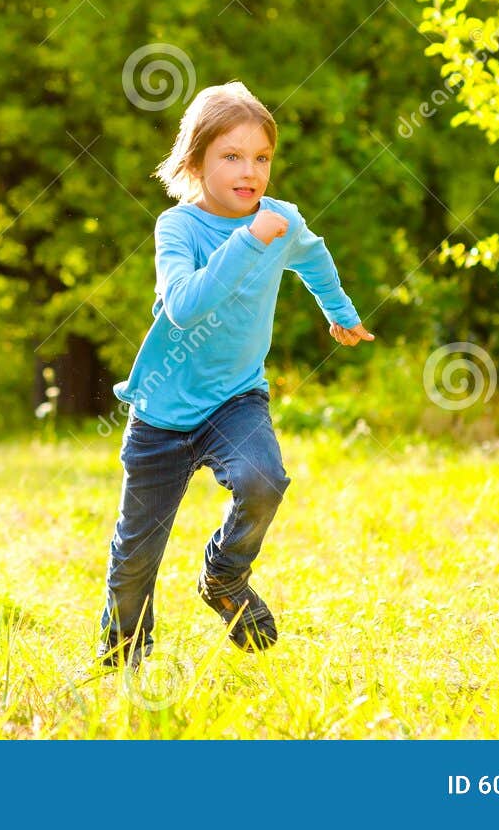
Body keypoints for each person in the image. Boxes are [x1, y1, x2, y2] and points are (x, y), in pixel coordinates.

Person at [100, 80, 375, 664]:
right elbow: (184, 305)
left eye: (262, 157)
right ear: (196, 161)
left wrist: (340, 311)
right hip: (162, 411)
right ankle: (123, 656)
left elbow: (313, 255)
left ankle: (224, 575)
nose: (250, 171)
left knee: (263, 479)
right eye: (231, 156)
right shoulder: (178, 228)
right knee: (136, 556)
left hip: (236, 398)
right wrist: (249, 241)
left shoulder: (280, 220)